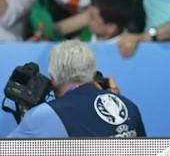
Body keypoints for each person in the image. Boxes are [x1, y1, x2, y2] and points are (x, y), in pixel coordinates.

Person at [8, 40, 146, 138]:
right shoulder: (128, 105)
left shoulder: (44, 115)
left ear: (53, 79)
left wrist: (28, 114)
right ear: (93, 73)